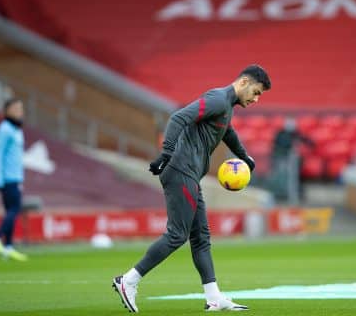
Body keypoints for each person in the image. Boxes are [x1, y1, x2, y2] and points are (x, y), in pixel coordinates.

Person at [112, 65, 271, 313]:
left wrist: (244, 156)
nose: (256, 98)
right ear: (243, 83)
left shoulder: (225, 107)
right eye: (256, 91)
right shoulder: (218, 99)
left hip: (190, 175)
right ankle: (129, 280)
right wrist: (166, 153)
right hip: (180, 170)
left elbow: (227, 133)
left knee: (200, 238)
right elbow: (178, 117)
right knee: (177, 234)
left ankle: (214, 298)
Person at [0, 98, 28, 261]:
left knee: (11, 210)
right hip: (7, 178)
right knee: (14, 209)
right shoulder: (4, 129)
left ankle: (8, 247)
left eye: (21, 108)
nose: (19, 111)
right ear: (7, 110)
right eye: (16, 108)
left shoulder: (16, 129)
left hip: (15, 177)